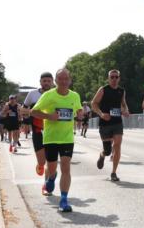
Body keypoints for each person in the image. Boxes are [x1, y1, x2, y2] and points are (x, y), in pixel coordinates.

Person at [31, 69, 82, 213]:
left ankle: (64, 199)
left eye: (66, 79)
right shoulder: (48, 96)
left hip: (67, 138)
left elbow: (78, 110)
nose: (64, 81)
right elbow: (34, 112)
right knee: (52, 168)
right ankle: (51, 177)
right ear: (56, 81)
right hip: (51, 138)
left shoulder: (75, 95)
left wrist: (80, 113)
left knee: (66, 167)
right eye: (60, 79)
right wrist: (49, 117)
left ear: (70, 80)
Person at [91, 69, 130, 182]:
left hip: (117, 122)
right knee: (108, 150)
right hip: (105, 123)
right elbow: (93, 103)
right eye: (111, 77)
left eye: (116, 77)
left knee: (117, 146)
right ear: (108, 78)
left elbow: (123, 103)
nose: (114, 79)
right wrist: (101, 114)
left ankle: (113, 172)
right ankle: (103, 155)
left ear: (119, 78)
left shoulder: (121, 91)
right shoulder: (103, 90)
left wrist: (126, 110)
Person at [23, 73, 54, 183]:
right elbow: (24, 109)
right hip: (38, 131)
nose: (46, 83)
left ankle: (46, 184)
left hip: (53, 132)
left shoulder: (57, 94)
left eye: (48, 81)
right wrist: (25, 120)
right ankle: (40, 165)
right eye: (44, 81)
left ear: (52, 82)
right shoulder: (32, 94)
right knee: (42, 162)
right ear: (40, 82)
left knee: (50, 161)